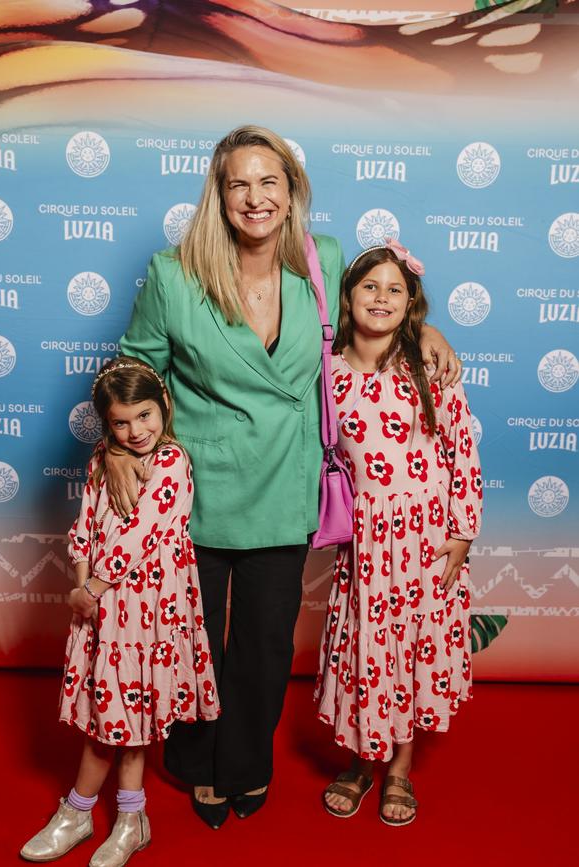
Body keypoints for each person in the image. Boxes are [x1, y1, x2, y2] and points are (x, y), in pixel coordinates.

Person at [108, 125, 460, 828]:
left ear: (291, 191)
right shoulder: (174, 273)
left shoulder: (320, 258)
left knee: (267, 641)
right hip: (196, 488)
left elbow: (373, 310)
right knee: (192, 634)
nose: (255, 197)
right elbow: (136, 368)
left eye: (269, 181)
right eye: (239, 182)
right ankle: (195, 761)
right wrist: (121, 449)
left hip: (286, 480)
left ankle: (245, 764)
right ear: (219, 192)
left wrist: (424, 327)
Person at [20, 357, 219, 865]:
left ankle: (87, 810)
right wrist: (84, 582)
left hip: (148, 607)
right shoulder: (99, 460)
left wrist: (97, 586)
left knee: (128, 718)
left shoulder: (171, 461)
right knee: (115, 716)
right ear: (106, 423)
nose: (135, 431)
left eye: (145, 416)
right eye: (120, 422)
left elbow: (143, 532)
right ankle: (126, 817)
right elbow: (85, 523)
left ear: (164, 407)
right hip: (102, 607)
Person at [315, 239, 482, 825]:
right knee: (368, 648)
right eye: (369, 286)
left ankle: (400, 770)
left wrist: (462, 531)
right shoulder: (326, 374)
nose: (381, 298)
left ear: (411, 303)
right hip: (365, 542)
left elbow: (462, 449)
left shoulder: (428, 366)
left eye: (395, 289)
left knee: (410, 650)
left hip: (425, 539)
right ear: (348, 295)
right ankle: (363, 762)